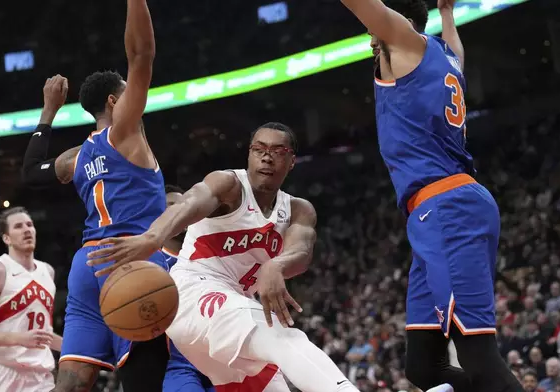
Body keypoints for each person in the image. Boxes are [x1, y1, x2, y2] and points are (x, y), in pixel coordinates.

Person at [88, 123, 359, 392]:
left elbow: (302, 252)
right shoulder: (230, 184)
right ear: (249, 155)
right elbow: (189, 201)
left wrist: (276, 264)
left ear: (291, 161)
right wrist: (152, 237)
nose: (267, 156)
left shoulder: (298, 209)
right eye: (259, 149)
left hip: (231, 311)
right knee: (284, 337)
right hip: (193, 293)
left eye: (278, 150)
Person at [338, 0, 523, 391]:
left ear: (397, 22)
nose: (370, 36)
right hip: (438, 211)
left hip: (446, 209)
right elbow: (458, 50)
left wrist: (433, 14)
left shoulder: (406, 42)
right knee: (423, 366)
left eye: (376, 28)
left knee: (478, 357)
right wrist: (448, 13)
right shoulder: (442, 54)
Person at [21, 1, 169, 390]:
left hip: (87, 265)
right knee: (146, 377)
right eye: (129, 92)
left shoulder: (76, 156)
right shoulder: (125, 132)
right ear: (114, 102)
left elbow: (30, 173)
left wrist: (48, 111)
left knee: (70, 382)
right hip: (131, 258)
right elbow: (142, 55)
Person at [0, 207, 62, 392]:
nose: (27, 230)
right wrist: (17, 338)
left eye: (30, 225)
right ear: (6, 238)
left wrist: (80, 350)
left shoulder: (47, 272)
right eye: (18, 226)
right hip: (2, 374)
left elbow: (44, 335)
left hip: (41, 378)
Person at [161, 185, 215, 392]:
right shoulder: (149, 265)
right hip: (178, 363)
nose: (181, 210)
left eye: (185, 205)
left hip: (221, 357)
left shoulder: (212, 257)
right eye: (171, 206)